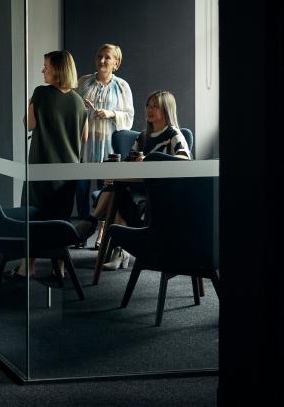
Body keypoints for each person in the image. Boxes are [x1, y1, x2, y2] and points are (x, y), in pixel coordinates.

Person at [92, 90, 191, 270]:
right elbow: (129, 165)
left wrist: (152, 161)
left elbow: (184, 161)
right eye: (148, 106)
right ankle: (121, 250)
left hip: (158, 194)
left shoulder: (173, 134)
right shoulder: (143, 137)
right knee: (115, 189)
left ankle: (93, 223)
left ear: (166, 110)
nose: (150, 110)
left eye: (155, 106)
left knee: (115, 193)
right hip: (135, 188)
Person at [13, 50, 85, 278]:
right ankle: (60, 268)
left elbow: (29, 124)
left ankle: (28, 266)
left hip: (41, 168)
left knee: (33, 216)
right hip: (67, 172)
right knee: (59, 219)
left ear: (58, 69)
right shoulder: (79, 101)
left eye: (47, 66)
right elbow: (84, 138)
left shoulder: (41, 93)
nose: (43, 70)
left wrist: (30, 103)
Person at [74, 44, 134, 232]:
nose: (102, 60)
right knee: (81, 189)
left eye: (107, 57)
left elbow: (130, 117)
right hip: (84, 145)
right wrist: (80, 107)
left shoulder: (122, 86)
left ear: (116, 63)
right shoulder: (83, 82)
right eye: (99, 56)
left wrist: (111, 114)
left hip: (108, 146)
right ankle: (83, 230)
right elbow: (70, 109)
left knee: (105, 190)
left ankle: (102, 230)